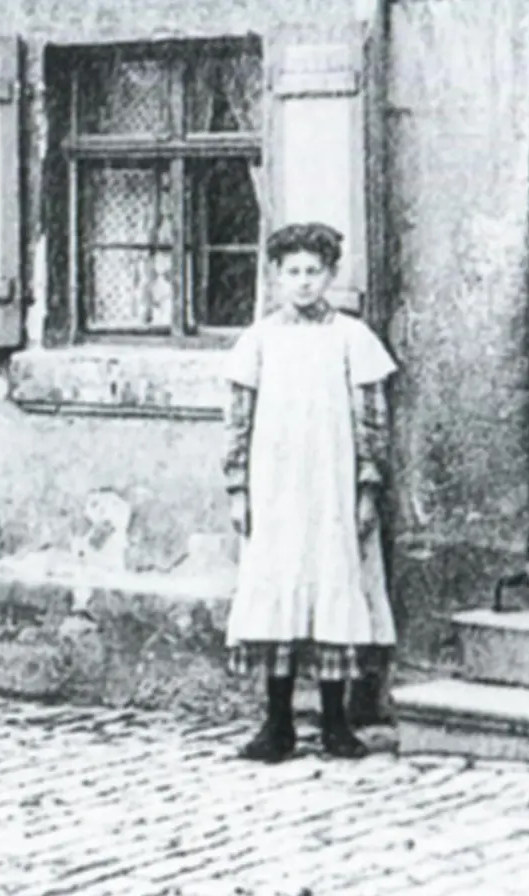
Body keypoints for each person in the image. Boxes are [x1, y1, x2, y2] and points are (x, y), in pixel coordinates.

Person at [222, 223, 399, 762]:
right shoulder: (258, 340)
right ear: (276, 276)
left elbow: (373, 419)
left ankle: (335, 722)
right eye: (292, 272)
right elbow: (238, 420)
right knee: (278, 589)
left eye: (313, 272)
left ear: (330, 275)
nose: (303, 283)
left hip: (331, 489)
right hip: (275, 490)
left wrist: (367, 487)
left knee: (332, 588)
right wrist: (238, 488)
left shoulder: (350, 338)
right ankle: (276, 724)